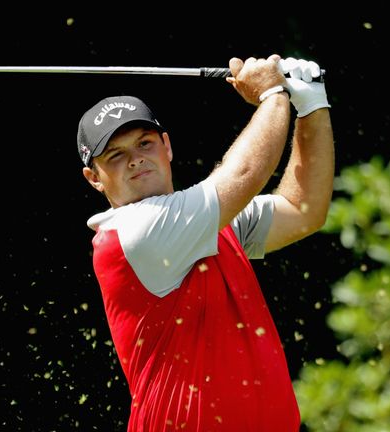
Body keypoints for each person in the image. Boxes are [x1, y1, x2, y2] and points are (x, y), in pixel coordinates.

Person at [76, 54, 334, 431]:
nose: (135, 160)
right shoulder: (131, 233)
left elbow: (303, 209)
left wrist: (311, 106)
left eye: (145, 143)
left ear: (167, 146)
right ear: (94, 179)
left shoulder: (209, 224)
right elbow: (245, 173)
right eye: (115, 155)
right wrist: (274, 93)